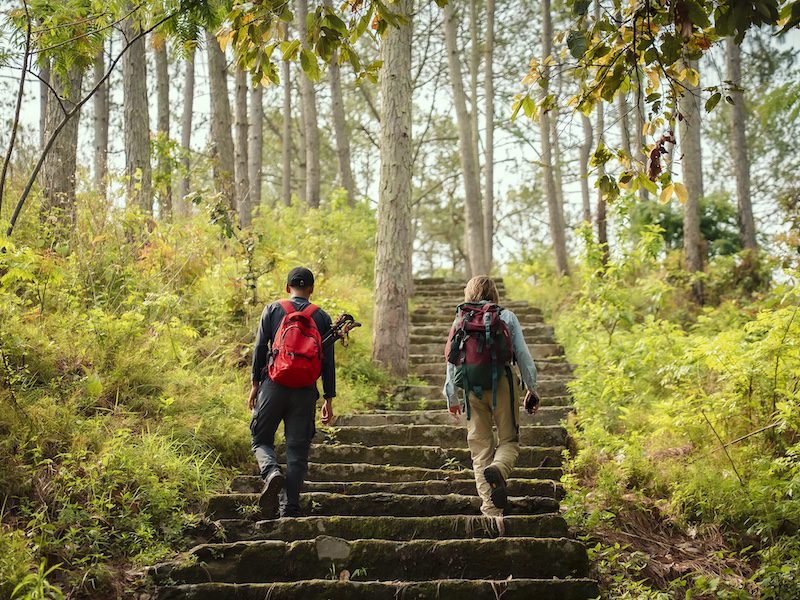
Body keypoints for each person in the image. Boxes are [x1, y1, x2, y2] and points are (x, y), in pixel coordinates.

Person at [443, 275, 539, 517]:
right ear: (494, 293)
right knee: (508, 441)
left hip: (471, 387)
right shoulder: (506, 316)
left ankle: (490, 510)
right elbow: (523, 355)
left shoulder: (460, 319)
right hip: (503, 384)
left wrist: (451, 397)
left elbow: (452, 362)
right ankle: (498, 468)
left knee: (480, 449)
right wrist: (531, 387)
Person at [248, 266, 335, 518]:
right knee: (297, 451)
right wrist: (328, 398)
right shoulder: (321, 317)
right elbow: (327, 361)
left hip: (273, 386)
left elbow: (259, 350)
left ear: (288, 288)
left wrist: (255, 386)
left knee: (261, 438)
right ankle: (290, 508)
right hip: (305, 391)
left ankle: (271, 471)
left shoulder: (273, 309)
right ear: (311, 289)